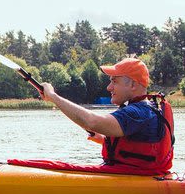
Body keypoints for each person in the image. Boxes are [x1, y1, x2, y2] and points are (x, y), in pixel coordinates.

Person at [40, 57, 174, 174]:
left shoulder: (137, 112)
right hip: (137, 174)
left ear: (133, 84)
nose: (109, 87)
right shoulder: (148, 109)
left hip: (134, 179)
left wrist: (53, 96)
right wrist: (105, 140)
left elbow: (91, 122)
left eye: (114, 81)